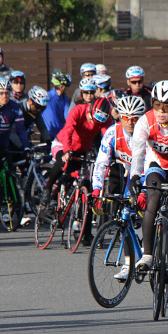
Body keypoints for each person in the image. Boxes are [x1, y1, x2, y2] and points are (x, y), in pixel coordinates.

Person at [127, 81, 168, 287]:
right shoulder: (145, 121)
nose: (161, 112)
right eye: (156, 105)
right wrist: (135, 176)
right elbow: (137, 152)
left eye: (167, 107)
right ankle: (147, 255)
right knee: (153, 200)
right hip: (157, 166)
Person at [42, 96, 113, 246]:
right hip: (63, 144)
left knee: (87, 191)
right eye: (94, 119)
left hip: (83, 151)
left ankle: (86, 235)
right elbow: (68, 131)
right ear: (90, 110)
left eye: (99, 122)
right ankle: (48, 188)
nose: (95, 123)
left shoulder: (106, 118)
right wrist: (67, 150)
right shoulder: (78, 110)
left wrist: (111, 155)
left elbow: (109, 136)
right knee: (64, 162)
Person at [93, 95, 146, 206]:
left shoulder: (148, 133)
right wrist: (97, 187)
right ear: (120, 117)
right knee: (127, 209)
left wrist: (145, 191)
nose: (130, 122)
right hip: (131, 173)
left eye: (135, 118)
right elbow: (101, 163)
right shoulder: (113, 133)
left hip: (147, 174)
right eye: (126, 118)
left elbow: (153, 166)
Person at [10, 86, 52, 150]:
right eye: (37, 107)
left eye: (42, 108)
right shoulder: (18, 109)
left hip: (24, 140)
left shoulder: (36, 111)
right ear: (30, 100)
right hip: (12, 141)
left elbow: (42, 127)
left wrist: (48, 141)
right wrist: (22, 147)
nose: (39, 110)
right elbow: (12, 132)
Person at [42, 72, 72, 141]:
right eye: (68, 86)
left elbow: (67, 116)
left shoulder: (64, 98)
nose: (69, 89)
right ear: (62, 87)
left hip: (60, 135)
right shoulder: (47, 97)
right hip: (48, 135)